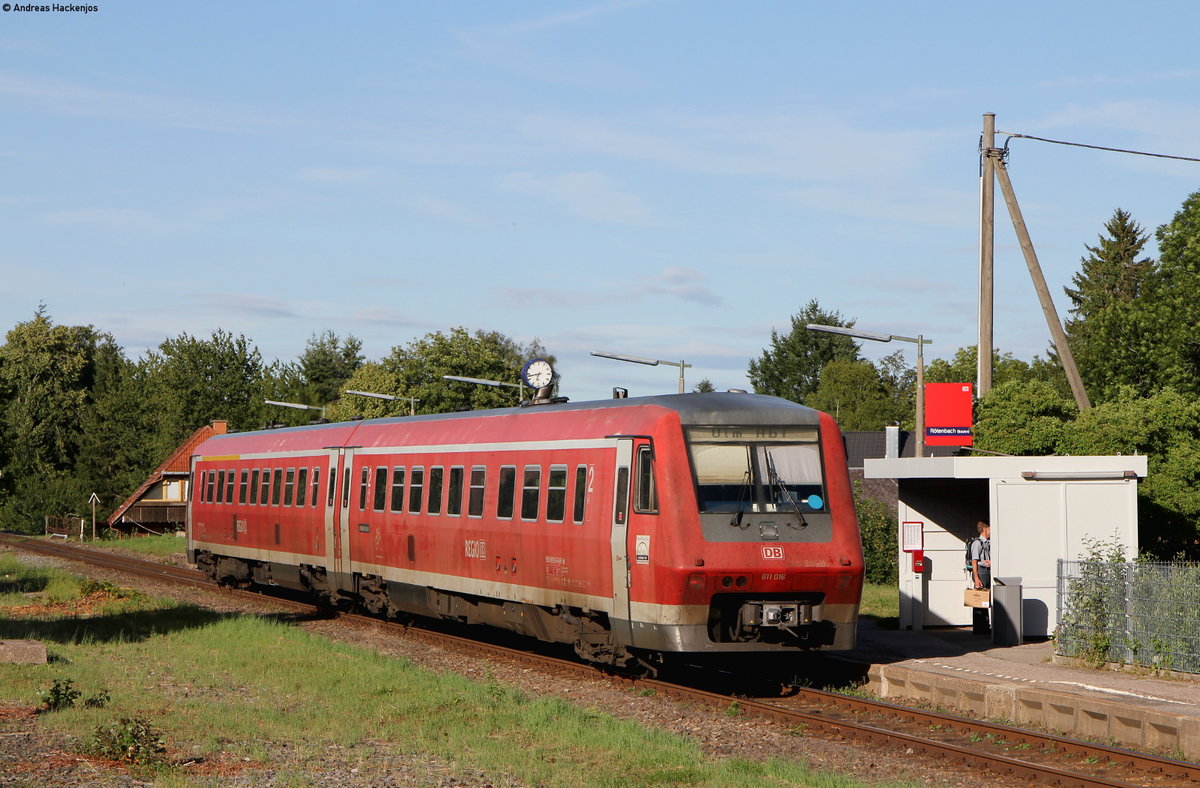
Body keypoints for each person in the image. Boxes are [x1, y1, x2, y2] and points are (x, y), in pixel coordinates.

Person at [970, 520, 991, 634]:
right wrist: (976, 578)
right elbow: (974, 561)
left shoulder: (988, 542)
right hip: (981, 572)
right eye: (990, 529)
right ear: (985, 529)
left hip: (988, 571)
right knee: (979, 600)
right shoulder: (977, 543)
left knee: (985, 601)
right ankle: (979, 628)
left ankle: (985, 626)